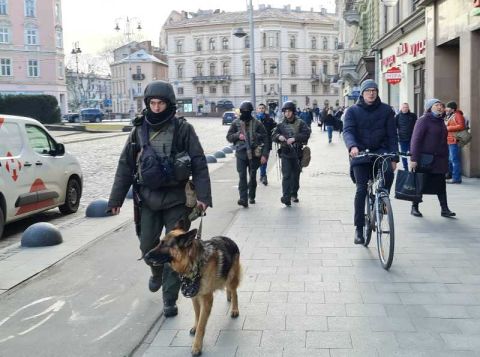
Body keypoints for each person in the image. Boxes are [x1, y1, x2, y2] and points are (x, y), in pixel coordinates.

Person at [108, 80, 212, 318]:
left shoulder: (183, 129)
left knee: (176, 253)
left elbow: (198, 161)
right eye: (152, 103)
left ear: (169, 104)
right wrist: (115, 200)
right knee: (147, 247)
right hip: (148, 199)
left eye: (160, 103)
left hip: (176, 200)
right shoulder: (138, 131)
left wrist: (203, 197)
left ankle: (169, 300)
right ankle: (155, 272)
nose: (156, 107)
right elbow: (125, 165)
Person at [343, 79, 398, 245]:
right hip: (360, 154)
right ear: (362, 93)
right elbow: (348, 131)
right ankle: (359, 229)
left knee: (388, 174)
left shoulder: (387, 110)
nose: (371, 93)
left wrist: (394, 157)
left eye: (374, 90)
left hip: (381, 152)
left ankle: (382, 202)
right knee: (361, 189)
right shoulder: (352, 111)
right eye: (368, 91)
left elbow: (392, 135)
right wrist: (352, 146)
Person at [409, 99, 456, 217]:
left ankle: (444, 209)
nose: (440, 107)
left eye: (441, 105)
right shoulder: (423, 120)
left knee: (441, 184)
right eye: (437, 105)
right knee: (420, 183)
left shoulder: (440, 121)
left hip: (440, 159)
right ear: (430, 107)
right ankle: (414, 207)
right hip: (425, 159)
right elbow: (416, 140)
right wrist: (414, 158)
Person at [227, 101, 268, 207]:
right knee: (242, 176)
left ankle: (252, 196)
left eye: (247, 112)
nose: (245, 113)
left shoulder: (257, 123)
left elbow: (266, 139)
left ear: (250, 112)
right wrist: (237, 136)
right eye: (243, 111)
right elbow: (229, 137)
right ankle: (243, 198)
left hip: (254, 154)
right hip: (241, 153)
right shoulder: (236, 122)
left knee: (253, 176)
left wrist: (264, 155)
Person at [272, 101, 311, 206]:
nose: (287, 113)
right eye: (285, 111)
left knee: (295, 176)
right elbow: (273, 134)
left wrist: (295, 138)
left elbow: (307, 133)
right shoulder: (281, 124)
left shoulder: (300, 122)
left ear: (293, 112)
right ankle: (286, 197)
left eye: (289, 111)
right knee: (286, 175)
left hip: (297, 153)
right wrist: (278, 137)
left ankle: (294, 194)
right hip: (285, 153)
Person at [256, 103, 277, 186]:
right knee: (257, 161)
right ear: (257, 109)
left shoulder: (269, 119)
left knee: (264, 160)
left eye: (262, 108)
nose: (261, 109)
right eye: (260, 108)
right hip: (257, 144)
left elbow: (275, 128)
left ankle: (263, 176)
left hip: (267, 143)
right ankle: (261, 175)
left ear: (265, 109)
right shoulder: (254, 119)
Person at [445, 101, 466, 184]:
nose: (446, 109)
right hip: (450, 140)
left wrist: (448, 128)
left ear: (452, 109)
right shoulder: (450, 115)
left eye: (448, 107)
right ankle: (450, 175)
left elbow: (461, 126)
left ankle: (456, 178)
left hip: (454, 140)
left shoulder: (458, 115)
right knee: (450, 159)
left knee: (454, 160)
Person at [395, 103, 417, 170]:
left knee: (413, 154)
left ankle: (413, 168)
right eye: (404, 107)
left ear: (408, 108)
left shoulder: (413, 115)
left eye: (407, 107)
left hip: (412, 138)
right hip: (402, 139)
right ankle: (405, 168)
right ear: (401, 108)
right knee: (404, 154)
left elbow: (417, 126)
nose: (405, 108)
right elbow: (395, 127)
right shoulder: (398, 116)